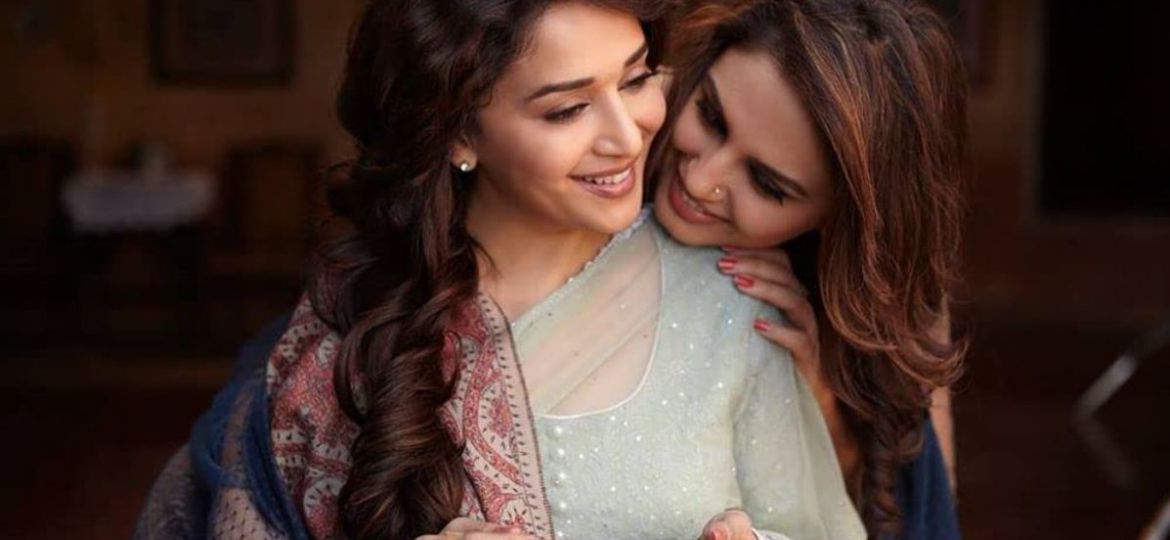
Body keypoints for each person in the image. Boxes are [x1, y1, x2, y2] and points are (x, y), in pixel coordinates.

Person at [134, 1, 862, 540]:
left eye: (638, 78)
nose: (627, 133)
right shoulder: (352, 340)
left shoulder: (732, 304)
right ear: (458, 131)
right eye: (567, 109)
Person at [648, 0, 968, 537]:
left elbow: (904, 517)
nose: (702, 179)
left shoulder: (877, 318)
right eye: (710, 116)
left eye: (768, 184)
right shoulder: (599, 121)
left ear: (839, 223)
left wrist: (817, 402)